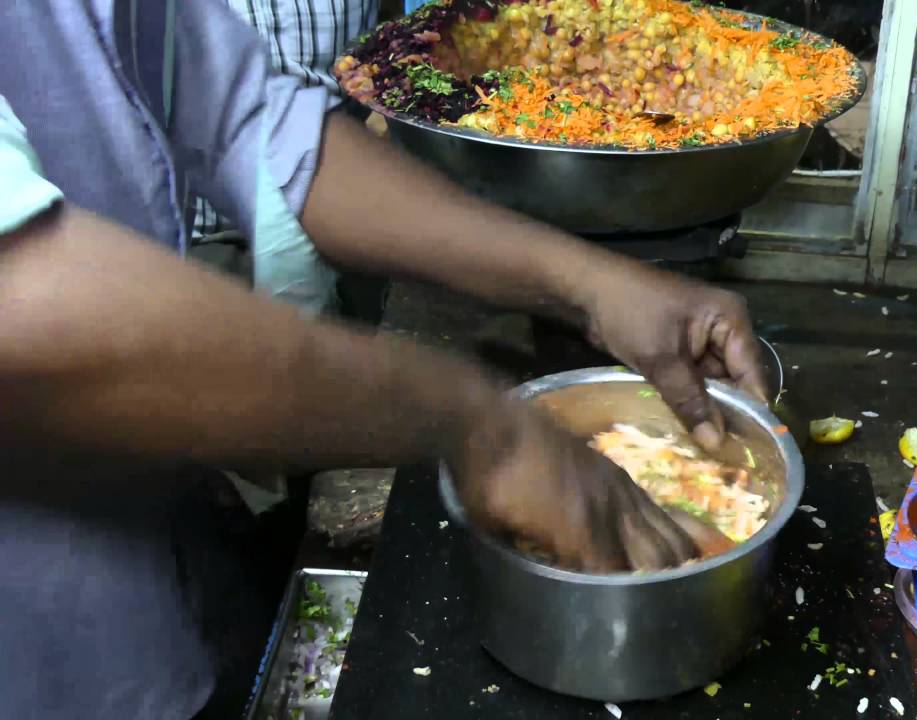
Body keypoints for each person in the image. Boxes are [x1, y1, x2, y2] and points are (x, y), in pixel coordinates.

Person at [0, 1, 766, 718]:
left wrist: (588, 285)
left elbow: (249, 122)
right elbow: (26, 308)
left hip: (150, 588)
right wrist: (483, 429)